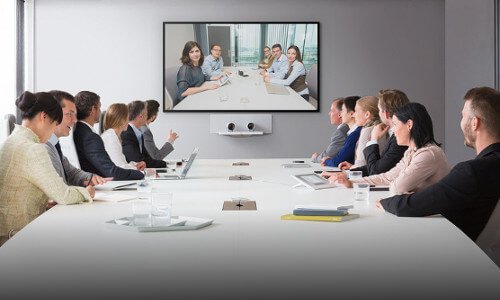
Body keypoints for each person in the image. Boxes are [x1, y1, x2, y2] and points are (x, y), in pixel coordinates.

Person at [377, 87, 500, 241]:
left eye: (462, 116)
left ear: (474, 123)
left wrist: (384, 202)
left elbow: (410, 205)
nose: (460, 122)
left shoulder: (471, 172)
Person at [0, 91, 93, 246]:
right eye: (55, 124)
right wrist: (86, 193)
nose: (52, 133)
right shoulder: (34, 149)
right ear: (43, 117)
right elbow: (64, 195)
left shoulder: (7, 143)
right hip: (20, 239)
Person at [330, 103, 449, 195]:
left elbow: (397, 188)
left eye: (396, 124)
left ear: (409, 125)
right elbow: (387, 177)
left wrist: (399, 186)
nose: (394, 131)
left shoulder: (428, 154)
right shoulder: (411, 151)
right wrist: (351, 182)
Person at [73, 91, 144, 180]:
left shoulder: (81, 131)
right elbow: (112, 172)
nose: (100, 111)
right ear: (93, 110)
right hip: (102, 186)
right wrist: (141, 174)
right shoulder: (90, 137)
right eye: (99, 107)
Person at [45, 90, 108, 187]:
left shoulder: (54, 144)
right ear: (53, 114)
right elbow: (58, 190)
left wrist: (89, 178)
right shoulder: (44, 148)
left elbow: (70, 172)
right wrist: (83, 194)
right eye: (69, 114)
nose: (75, 120)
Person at [340, 89, 410, 175]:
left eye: (379, 110)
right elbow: (379, 165)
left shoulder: (399, 138)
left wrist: (373, 139)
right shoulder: (394, 134)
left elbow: (375, 171)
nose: (378, 113)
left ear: (386, 114)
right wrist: (351, 170)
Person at [343, 96, 386, 169]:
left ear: (367, 114)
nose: (353, 115)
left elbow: (361, 164)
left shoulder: (367, 131)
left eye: (356, 111)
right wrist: (352, 166)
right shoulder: (381, 127)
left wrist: (353, 169)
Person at [121, 101, 167, 168]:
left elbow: (147, 157)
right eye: (146, 114)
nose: (147, 116)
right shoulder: (127, 134)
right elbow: (138, 160)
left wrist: (165, 164)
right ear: (141, 116)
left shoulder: (138, 133)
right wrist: (164, 164)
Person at [101, 103, 147, 170]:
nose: (128, 121)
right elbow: (120, 167)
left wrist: (136, 164)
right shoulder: (111, 138)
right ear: (122, 119)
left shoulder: (113, 136)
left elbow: (122, 163)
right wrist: (136, 167)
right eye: (127, 118)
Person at [321, 96, 361, 167]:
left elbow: (337, 161)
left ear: (352, 114)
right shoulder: (353, 132)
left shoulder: (355, 134)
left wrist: (326, 160)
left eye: (342, 110)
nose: (340, 114)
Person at [311, 98, 349, 163]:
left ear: (340, 114)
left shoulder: (341, 132)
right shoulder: (345, 129)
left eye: (332, 110)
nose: (329, 113)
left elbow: (329, 155)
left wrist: (316, 158)